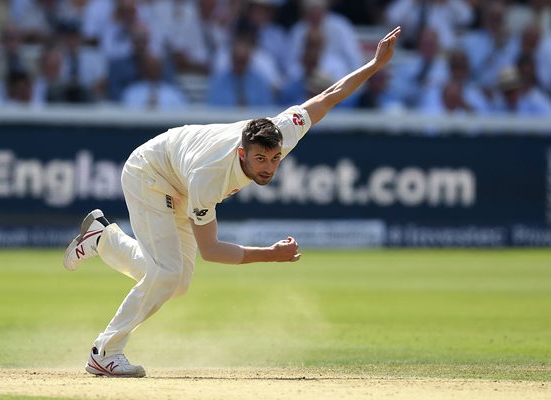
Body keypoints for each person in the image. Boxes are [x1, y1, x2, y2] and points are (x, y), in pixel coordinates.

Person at [63, 26, 402, 378]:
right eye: (259, 160)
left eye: (274, 159)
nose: (268, 168)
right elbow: (210, 250)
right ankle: (105, 350)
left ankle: (103, 239)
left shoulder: (281, 131)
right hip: (150, 174)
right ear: (243, 152)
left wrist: (375, 64)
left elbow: (330, 95)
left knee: (176, 282)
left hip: (176, 177)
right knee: (167, 273)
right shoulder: (210, 176)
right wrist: (270, 254)